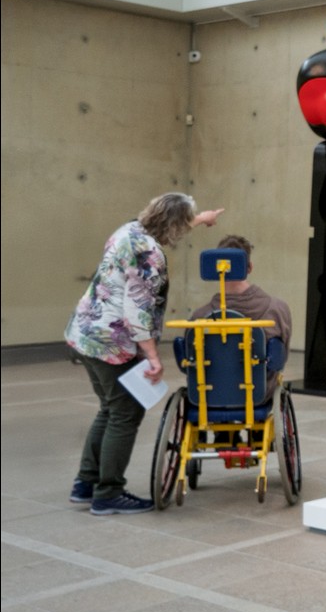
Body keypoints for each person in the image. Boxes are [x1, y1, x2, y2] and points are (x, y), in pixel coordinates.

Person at [65, 193, 223, 515]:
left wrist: (201, 217)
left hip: (85, 332)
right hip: (111, 342)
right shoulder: (150, 254)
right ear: (175, 224)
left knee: (109, 408)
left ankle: (86, 482)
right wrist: (152, 356)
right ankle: (108, 493)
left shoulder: (129, 230)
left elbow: (169, 224)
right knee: (125, 412)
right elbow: (137, 310)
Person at [190, 234, 293, 394]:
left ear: (215, 269)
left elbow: (189, 365)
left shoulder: (199, 317)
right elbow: (279, 360)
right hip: (258, 393)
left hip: (209, 394)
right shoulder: (277, 310)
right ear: (249, 267)